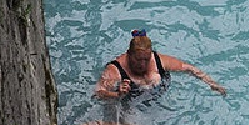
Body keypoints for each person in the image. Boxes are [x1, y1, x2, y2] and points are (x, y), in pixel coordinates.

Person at [95, 29, 226, 98]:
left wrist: (212, 84)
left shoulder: (157, 60)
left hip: (157, 97)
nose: (142, 64)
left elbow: (189, 69)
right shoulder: (115, 70)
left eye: (146, 59)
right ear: (129, 54)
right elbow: (99, 93)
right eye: (138, 59)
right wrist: (118, 94)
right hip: (132, 104)